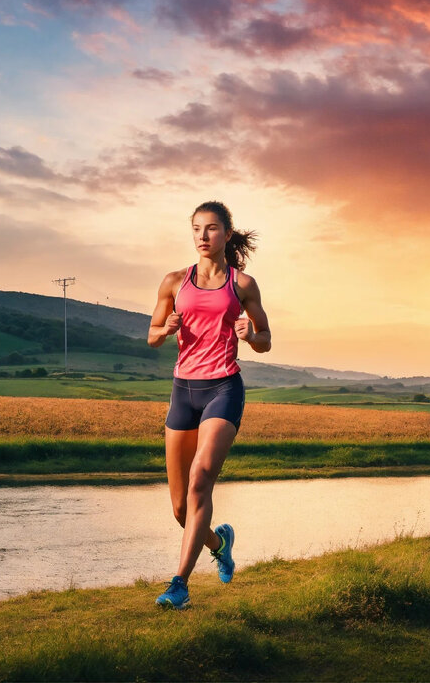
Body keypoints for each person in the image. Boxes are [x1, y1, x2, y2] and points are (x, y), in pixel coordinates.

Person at [147, 201, 271, 609]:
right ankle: (220, 543)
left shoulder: (242, 285)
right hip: (183, 391)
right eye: (197, 229)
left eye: (212, 228)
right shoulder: (174, 282)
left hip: (223, 388)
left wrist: (250, 334)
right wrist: (164, 329)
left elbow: (266, 339)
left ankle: (178, 584)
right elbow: (151, 335)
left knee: (202, 478)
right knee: (182, 510)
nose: (203, 236)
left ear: (227, 235)